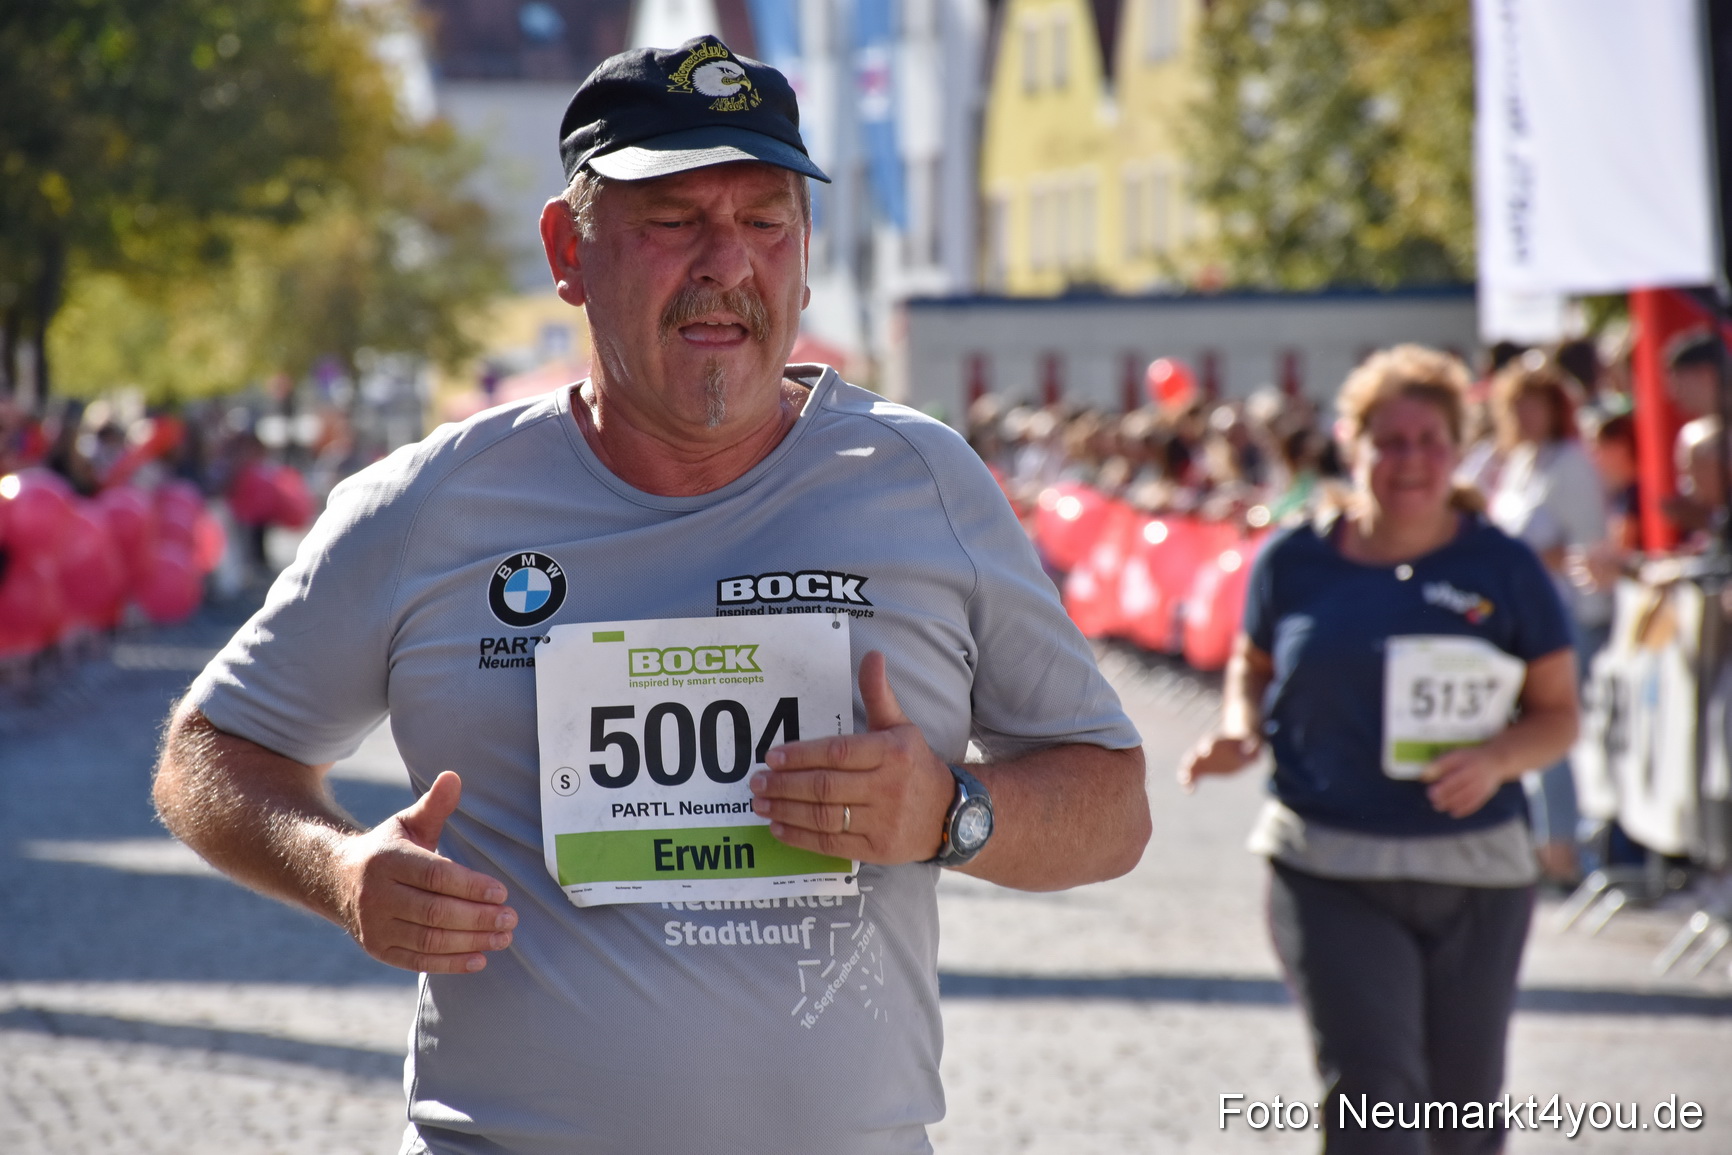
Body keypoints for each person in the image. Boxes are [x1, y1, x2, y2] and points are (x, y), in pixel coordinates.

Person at [151, 36, 1148, 1155]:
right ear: (567, 250)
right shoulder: (432, 504)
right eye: (673, 220)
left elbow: (1114, 806)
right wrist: (338, 871)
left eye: (765, 222)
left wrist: (952, 812)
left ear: (805, 257)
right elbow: (207, 755)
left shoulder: (923, 484)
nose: (727, 263)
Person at [1179, 344, 1579, 1155]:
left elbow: (1559, 714)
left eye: (1430, 440)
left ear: (1459, 449)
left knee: (1463, 1114)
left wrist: (1497, 759)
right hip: (1328, 863)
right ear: (1350, 443)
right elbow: (1252, 663)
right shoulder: (1295, 560)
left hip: (1477, 874)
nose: (1410, 460)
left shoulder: (1503, 567)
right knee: (1374, 1101)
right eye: (1389, 440)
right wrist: (1239, 724)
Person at [1483, 353, 1609, 885]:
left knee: (1552, 731)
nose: (1526, 415)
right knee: (1524, 732)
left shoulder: (1570, 464)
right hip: (1518, 620)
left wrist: (1538, 561)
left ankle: (1562, 847)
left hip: (1566, 618)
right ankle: (1541, 841)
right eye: (1518, 406)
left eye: (1535, 404)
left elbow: (1588, 551)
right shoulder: (1519, 463)